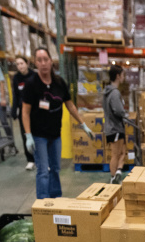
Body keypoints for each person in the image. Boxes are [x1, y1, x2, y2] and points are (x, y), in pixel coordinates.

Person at [22, 47, 94, 199]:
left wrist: (83, 124)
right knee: (43, 171)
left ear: (51, 61)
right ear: (35, 63)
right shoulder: (31, 84)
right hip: (38, 135)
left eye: (45, 59)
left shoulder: (59, 82)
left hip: (55, 134)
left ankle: (56, 197)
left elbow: (70, 105)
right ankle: (43, 202)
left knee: (55, 168)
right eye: (39, 60)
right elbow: (25, 112)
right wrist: (28, 135)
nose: (43, 63)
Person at [103, 64, 128, 182]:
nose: (124, 77)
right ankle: (113, 178)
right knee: (115, 154)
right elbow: (118, 110)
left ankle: (118, 172)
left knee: (123, 151)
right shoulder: (114, 93)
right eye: (122, 75)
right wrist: (124, 113)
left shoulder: (108, 92)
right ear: (118, 76)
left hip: (115, 127)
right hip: (114, 128)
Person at [11, 55, 36, 171]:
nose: (20, 66)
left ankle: (40, 158)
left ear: (27, 63)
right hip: (23, 111)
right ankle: (30, 160)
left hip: (35, 110)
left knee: (37, 135)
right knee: (26, 134)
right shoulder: (16, 78)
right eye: (18, 64)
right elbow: (15, 95)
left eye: (22, 63)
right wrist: (14, 109)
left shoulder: (34, 76)